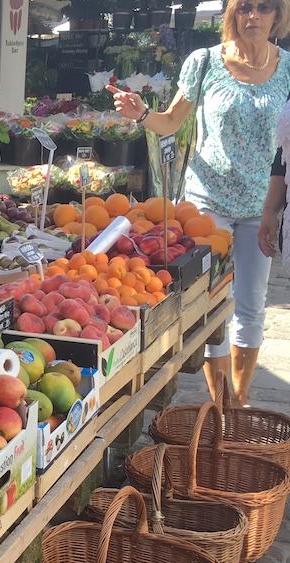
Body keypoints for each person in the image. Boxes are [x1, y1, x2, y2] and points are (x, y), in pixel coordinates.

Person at [109, 0, 290, 408]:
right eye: (244, 8)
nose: (253, 17)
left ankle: (238, 404)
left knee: (251, 304)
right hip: (207, 206)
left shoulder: (289, 69)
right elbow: (171, 121)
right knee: (211, 305)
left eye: (264, 8)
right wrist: (142, 115)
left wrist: (276, 207)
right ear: (233, 15)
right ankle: (222, 407)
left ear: (277, 15)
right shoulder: (205, 62)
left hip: (262, 206)